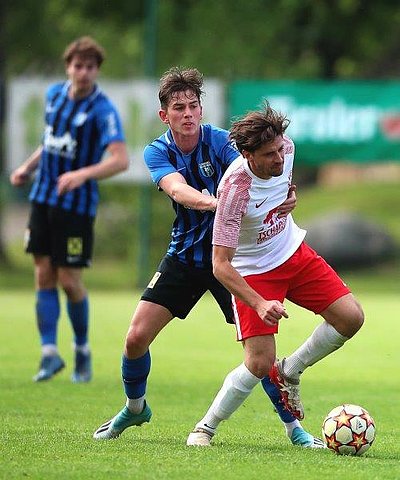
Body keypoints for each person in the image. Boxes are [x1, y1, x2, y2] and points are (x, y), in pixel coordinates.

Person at [93, 67, 323, 448]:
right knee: (135, 338)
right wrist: (220, 204)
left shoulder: (221, 142)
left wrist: (286, 198)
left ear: (202, 110)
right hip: (184, 257)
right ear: (164, 115)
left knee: (261, 355)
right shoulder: (157, 151)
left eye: (194, 106)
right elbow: (177, 189)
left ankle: (294, 429)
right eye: (179, 107)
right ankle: (135, 408)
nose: (188, 113)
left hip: (233, 262)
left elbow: (264, 172)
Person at [186, 102, 364, 446]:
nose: (279, 159)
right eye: (270, 154)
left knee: (351, 318)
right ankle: (205, 428)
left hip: (292, 251)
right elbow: (220, 264)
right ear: (247, 154)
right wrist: (260, 302)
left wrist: (290, 194)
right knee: (257, 362)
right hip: (253, 272)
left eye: (280, 149)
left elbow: (282, 183)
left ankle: (290, 370)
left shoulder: (288, 149)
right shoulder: (234, 189)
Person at [9, 36, 129, 383]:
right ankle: (49, 353)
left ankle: (82, 349)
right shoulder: (54, 97)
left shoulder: (103, 110)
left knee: (69, 279)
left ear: (96, 70)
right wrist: (27, 168)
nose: (83, 72)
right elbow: (49, 144)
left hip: (76, 207)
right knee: (42, 272)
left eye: (90, 67)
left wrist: (81, 174)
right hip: (43, 198)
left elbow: (120, 160)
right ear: (68, 67)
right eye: (78, 65)